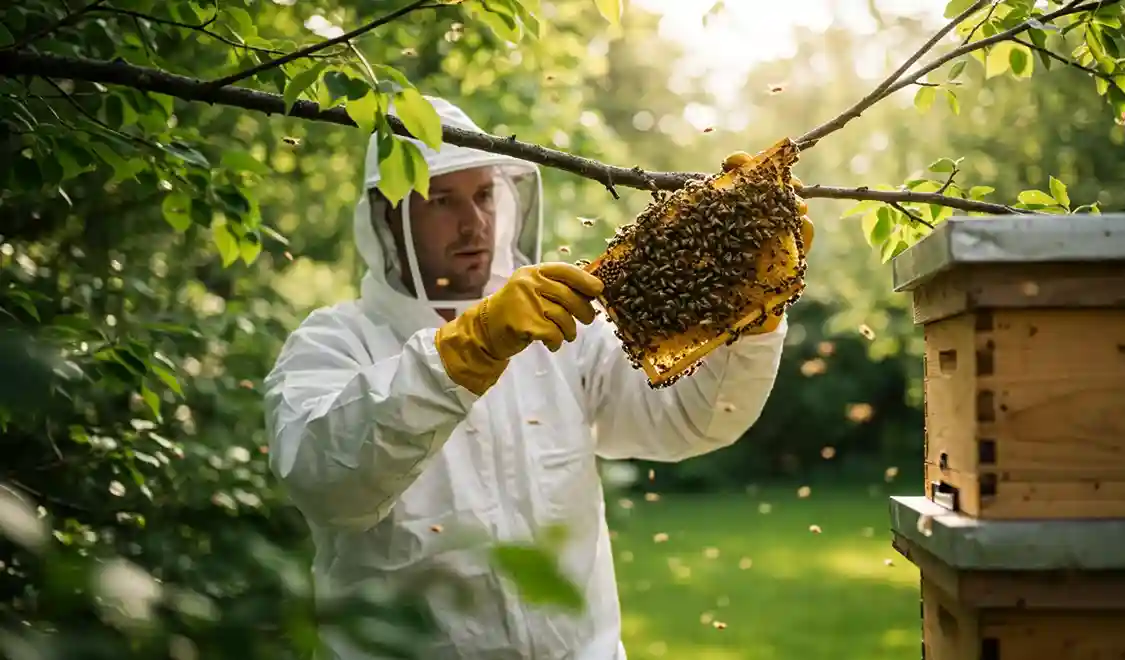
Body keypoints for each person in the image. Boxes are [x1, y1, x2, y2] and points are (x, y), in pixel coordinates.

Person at [263, 96, 805, 660]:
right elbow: (327, 482)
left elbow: (691, 423)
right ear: (388, 216)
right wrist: (469, 348)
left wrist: (748, 318)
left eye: (483, 194)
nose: (473, 222)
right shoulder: (333, 344)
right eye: (441, 200)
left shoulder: (554, 325)